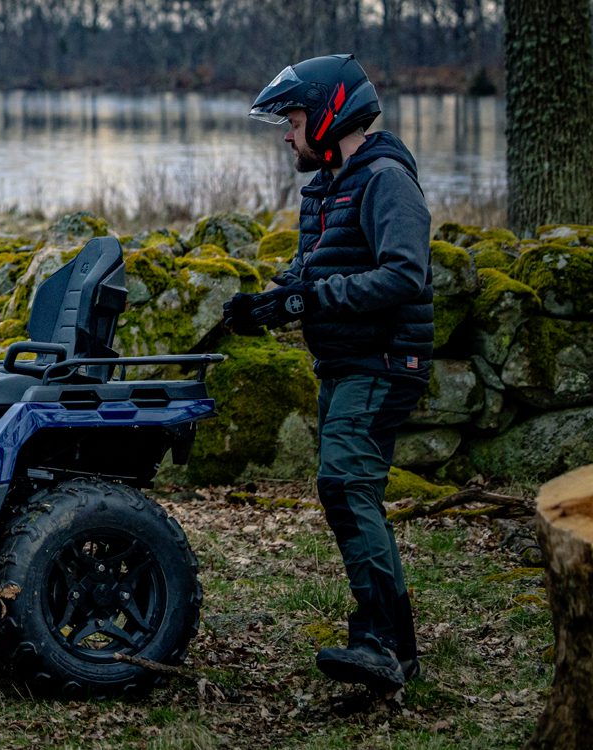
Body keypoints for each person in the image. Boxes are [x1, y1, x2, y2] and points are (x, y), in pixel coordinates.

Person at [226, 53, 433, 694]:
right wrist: (266, 303)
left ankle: (385, 643)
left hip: (384, 361)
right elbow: (312, 271)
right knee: (348, 489)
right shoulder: (330, 184)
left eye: (292, 120)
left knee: (345, 484)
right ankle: (387, 642)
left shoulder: (385, 180)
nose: (287, 134)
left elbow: (405, 275)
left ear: (328, 112)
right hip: (347, 361)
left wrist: (312, 300)